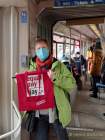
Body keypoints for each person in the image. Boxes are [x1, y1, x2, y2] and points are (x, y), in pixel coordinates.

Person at [29, 39, 76, 140]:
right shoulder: (32, 66)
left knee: (62, 136)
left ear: (48, 49)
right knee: (41, 137)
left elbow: (72, 83)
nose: (41, 51)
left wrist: (56, 77)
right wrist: (20, 82)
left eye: (44, 48)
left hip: (57, 111)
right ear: (35, 51)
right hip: (39, 112)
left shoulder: (59, 65)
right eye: (38, 49)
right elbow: (28, 87)